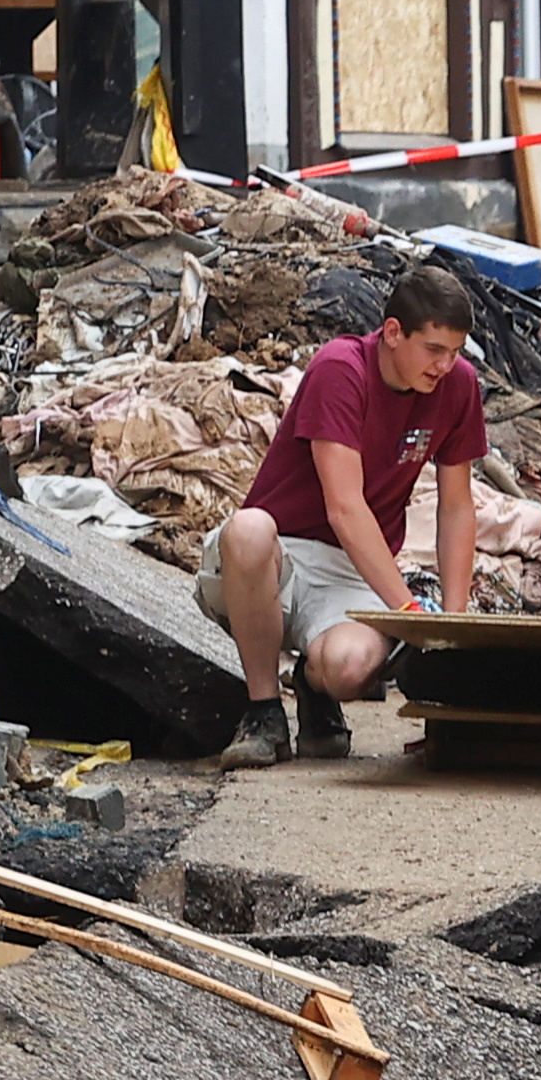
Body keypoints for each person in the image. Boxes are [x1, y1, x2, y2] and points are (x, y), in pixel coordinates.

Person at [206, 262, 485, 771]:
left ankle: (316, 692)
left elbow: (457, 505)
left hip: (349, 569)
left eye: (456, 352)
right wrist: (408, 612)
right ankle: (264, 712)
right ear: (394, 333)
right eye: (434, 350)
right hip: (276, 556)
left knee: (350, 667)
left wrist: (454, 626)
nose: (445, 365)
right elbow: (344, 506)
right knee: (247, 528)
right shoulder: (341, 367)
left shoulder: (458, 386)